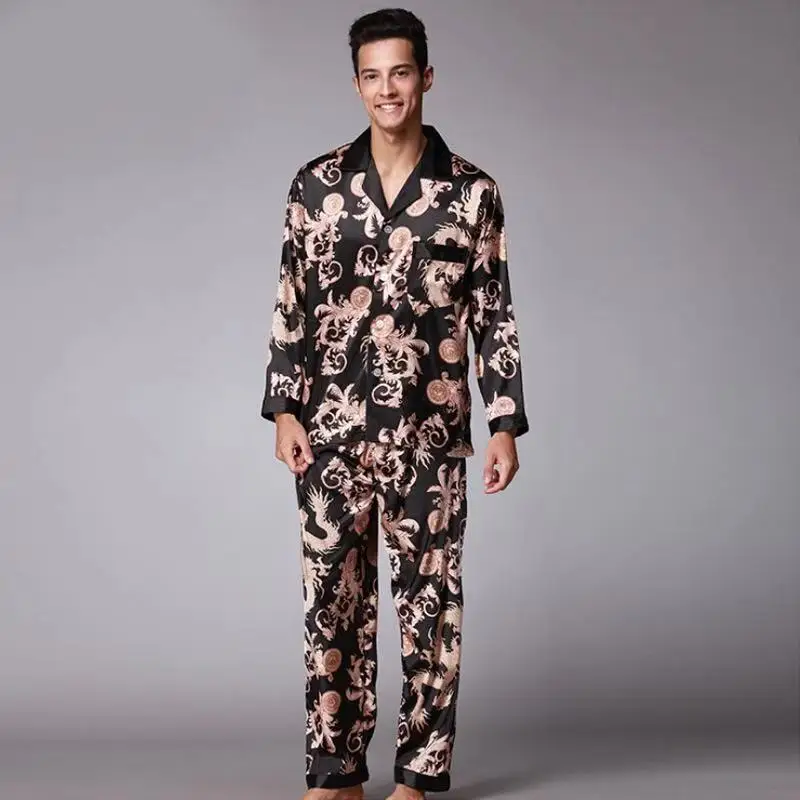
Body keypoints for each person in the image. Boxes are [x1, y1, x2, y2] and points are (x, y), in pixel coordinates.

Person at [261, 8, 529, 800]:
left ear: (426, 78)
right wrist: (284, 409)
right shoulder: (315, 186)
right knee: (331, 607)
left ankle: (419, 774)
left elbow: (495, 315)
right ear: (356, 85)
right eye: (372, 76)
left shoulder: (472, 193)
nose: (388, 89)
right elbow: (291, 302)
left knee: (430, 609)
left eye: (401, 72)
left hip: (429, 435)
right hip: (331, 434)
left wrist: (504, 424)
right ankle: (336, 771)